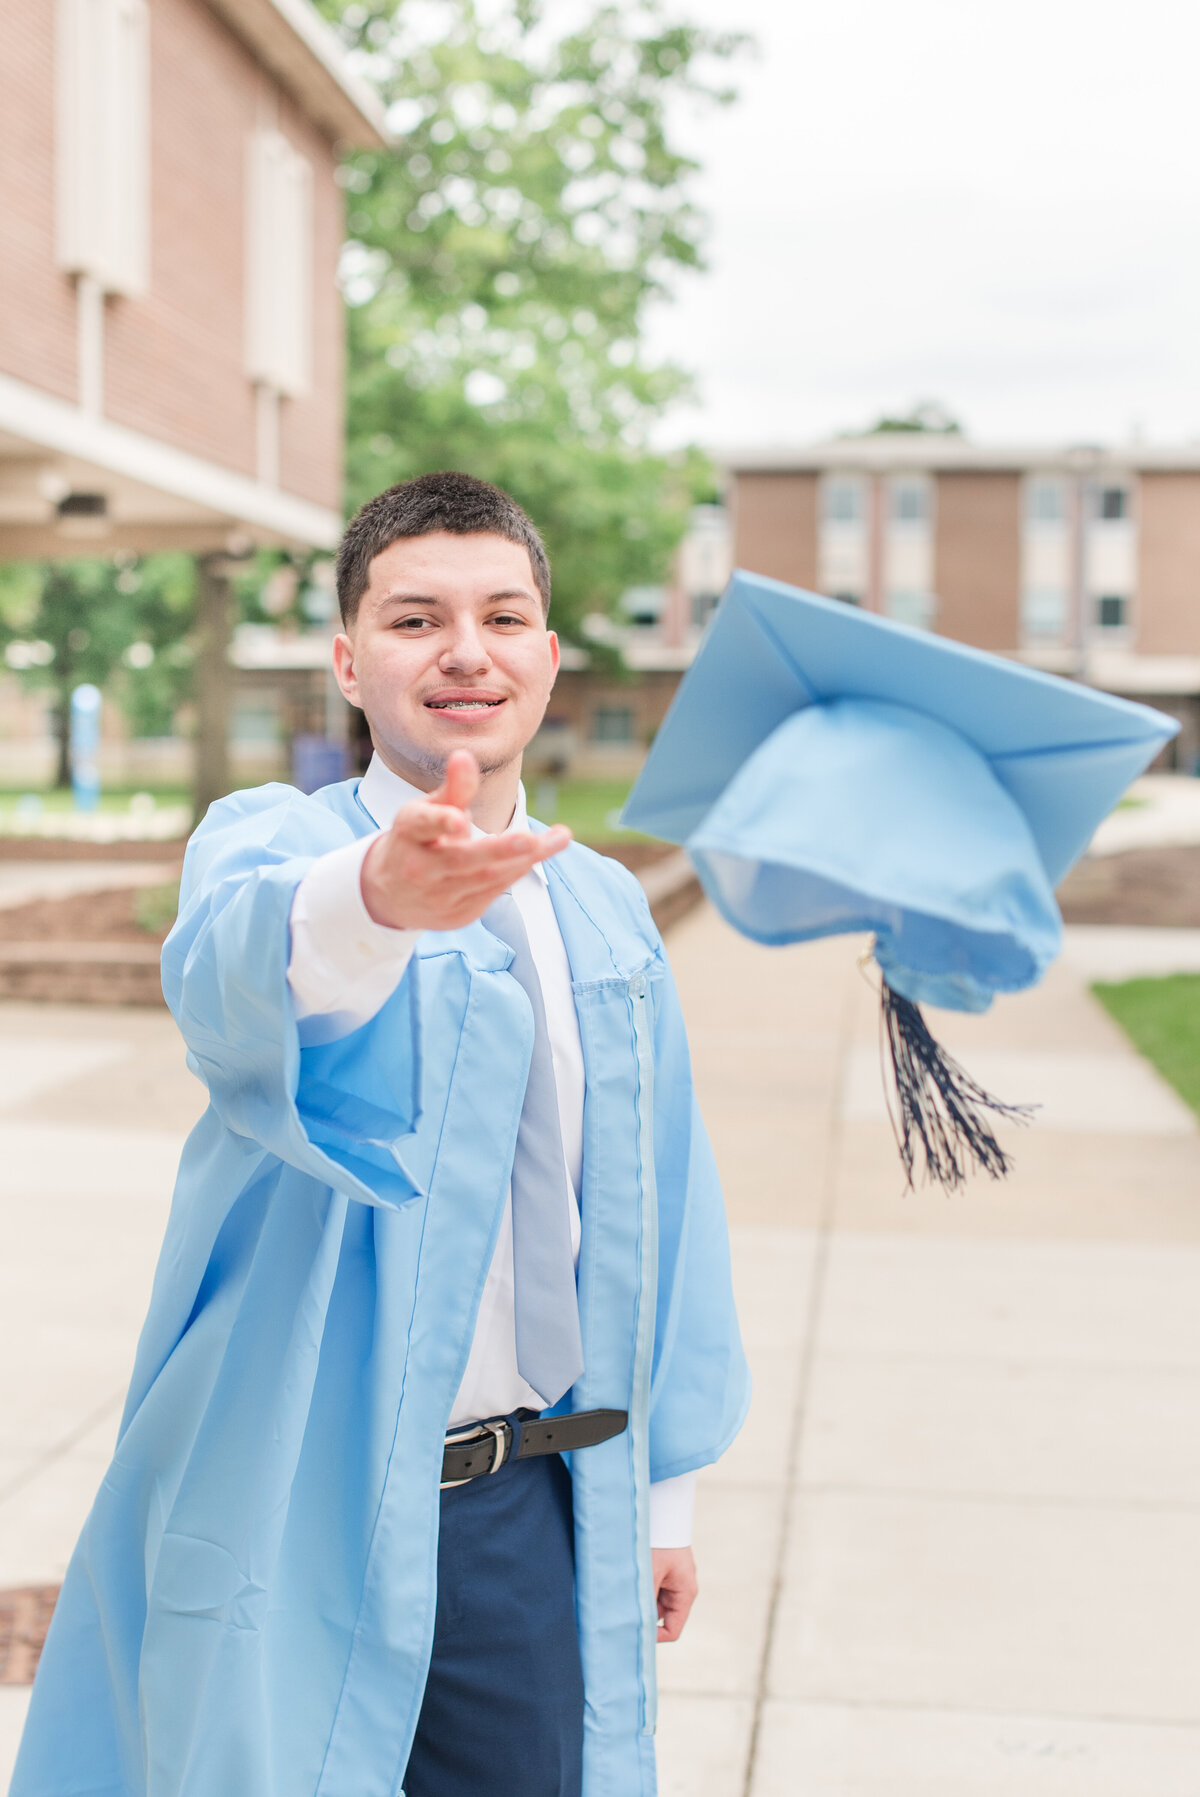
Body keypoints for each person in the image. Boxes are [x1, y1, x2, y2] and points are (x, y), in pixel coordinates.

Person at [13, 472, 750, 1797]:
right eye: (417, 620)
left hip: (527, 1514)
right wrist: (375, 899)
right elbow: (234, 988)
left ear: (547, 654)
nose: (466, 651)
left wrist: (662, 1498)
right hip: (289, 1494)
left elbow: (664, 1209)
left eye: (502, 616)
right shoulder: (278, 849)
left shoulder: (605, 911)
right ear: (350, 662)